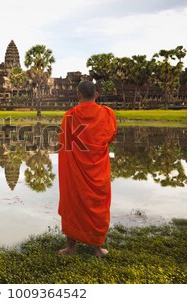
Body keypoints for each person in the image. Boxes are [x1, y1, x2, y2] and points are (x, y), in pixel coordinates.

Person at [57, 80, 117, 257]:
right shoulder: (107, 114)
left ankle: (71, 248)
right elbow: (110, 137)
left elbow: (65, 145)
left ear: (78, 95)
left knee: (73, 202)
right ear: (96, 95)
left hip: (75, 170)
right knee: (97, 204)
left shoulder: (69, 116)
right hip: (98, 169)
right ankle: (97, 248)